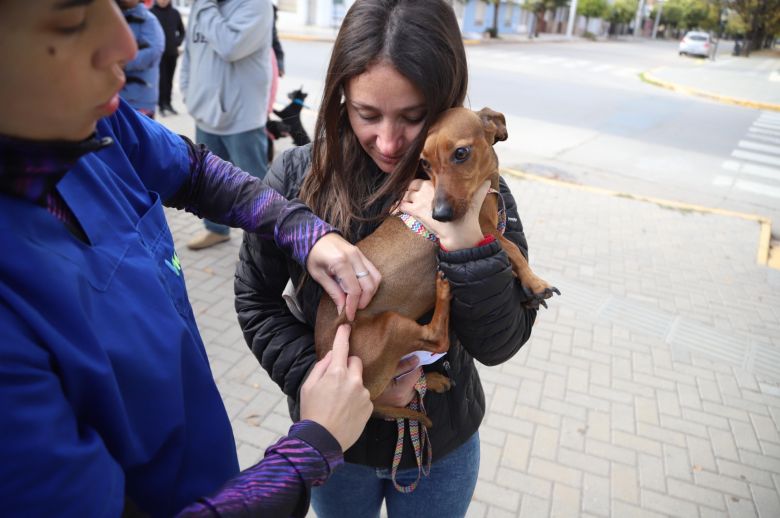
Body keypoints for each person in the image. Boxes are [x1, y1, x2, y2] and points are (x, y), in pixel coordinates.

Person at [0, 0, 382, 516]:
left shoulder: (89, 127)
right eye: (70, 18)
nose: (128, 45)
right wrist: (309, 450)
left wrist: (304, 231)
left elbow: (195, 173)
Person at [234, 0, 539, 516]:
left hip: (440, 449)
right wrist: (338, 388)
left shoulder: (479, 189)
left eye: (413, 117)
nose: (390, 141)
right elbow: (256, 301)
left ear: (443, 100)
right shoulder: (295, 178)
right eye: (367, 114)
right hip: (336, 449)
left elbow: (501, 342)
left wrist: (466, 239)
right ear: (340, 98)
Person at [180, 0, 275, 250]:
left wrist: (206, 7)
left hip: (242, 117)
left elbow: (230, 46)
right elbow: (190, 53)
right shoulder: (203, 5)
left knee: (254, 183)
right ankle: (216, 230)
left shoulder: (256, 6)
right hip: (205, 114)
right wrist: (188, 94)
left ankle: (266, 240)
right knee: (207, 181)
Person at [119, 0, 165, 118]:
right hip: (117, 99)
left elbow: (154, 52)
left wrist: (122, 62)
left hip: (141, 101)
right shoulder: (113, 19)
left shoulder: (148, 20)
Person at [151, 0, 186, 116]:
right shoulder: (151, 13)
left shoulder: (175, 13)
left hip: (172, 53)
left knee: (170, 80)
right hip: (158, 55)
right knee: (161, 81)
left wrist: (177, 42)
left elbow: (182, 31)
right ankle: (161, 105)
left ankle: (169, 104)